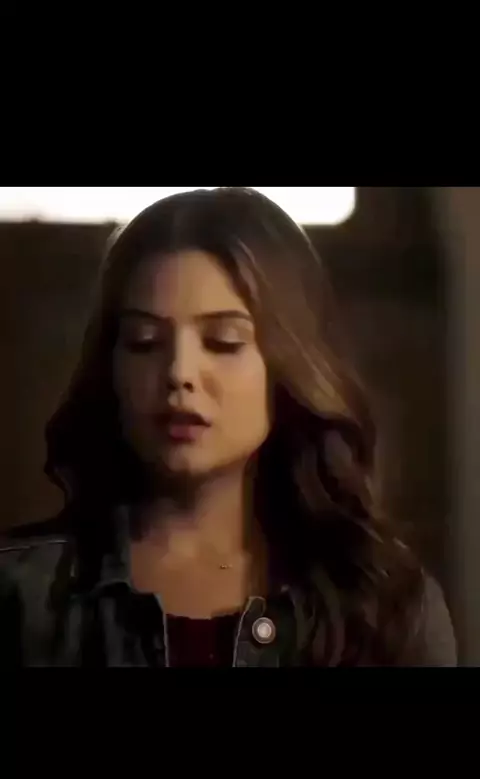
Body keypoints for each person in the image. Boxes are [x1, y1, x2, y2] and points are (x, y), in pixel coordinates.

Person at [0, 187, 456, 667]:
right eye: (144, 341)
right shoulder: (21, 598)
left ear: (289, 364)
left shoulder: (383, 607)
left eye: (223, 341)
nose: (179, 373)